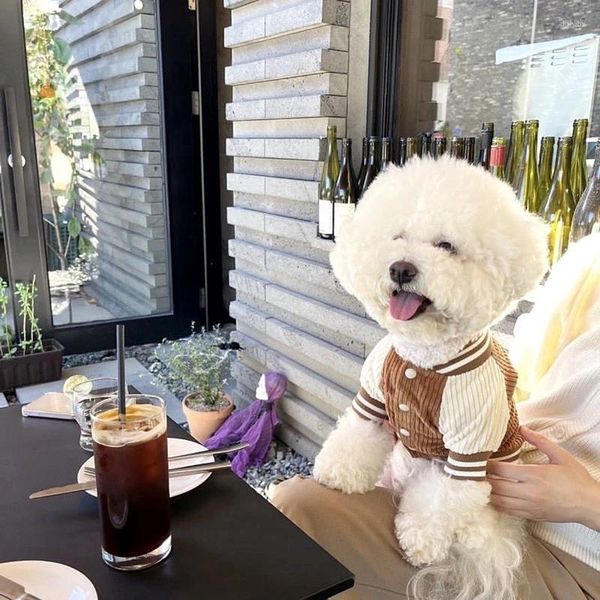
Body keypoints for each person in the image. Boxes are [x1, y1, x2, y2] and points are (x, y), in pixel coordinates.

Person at [271, 234, 600, 600]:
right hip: (488, 488)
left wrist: (586, 502)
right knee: (296, 507)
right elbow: (520, 370)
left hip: (574, 563)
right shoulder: (592, 263)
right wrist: (433, 405)